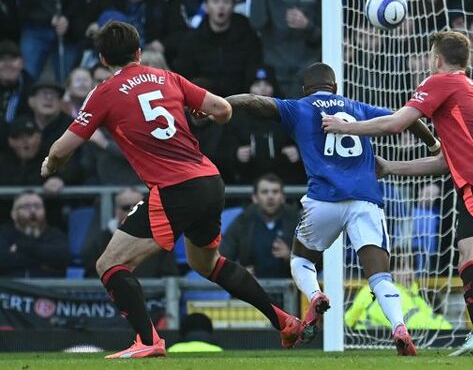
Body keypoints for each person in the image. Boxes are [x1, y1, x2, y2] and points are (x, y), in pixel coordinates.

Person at [41, 21, 303, 359]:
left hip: (174, 188)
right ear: (138, 51)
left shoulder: (104, 92)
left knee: (109, 264)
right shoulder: (169, 77)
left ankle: (148, 340)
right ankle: (283, 321)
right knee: (207, 263)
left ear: (104, 59)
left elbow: (63, 150)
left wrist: (49, 166)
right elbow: (223, 110)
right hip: (210, 180)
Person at [322, 31, 473, 356]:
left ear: (436, 59)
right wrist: (391, 167)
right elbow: (445, 162)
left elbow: (397, 123)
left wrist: (345, 127)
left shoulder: (441, 82)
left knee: (471, 258)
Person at [225, 62, 442, 355]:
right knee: (379, 276)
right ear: (336, 87)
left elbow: (254, 101)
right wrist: (432, 143)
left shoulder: (298, 107)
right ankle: (399, 327)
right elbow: (404, 119)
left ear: (305, 89)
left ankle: (315, 294)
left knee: (301, 260)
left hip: (323, 200)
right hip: (365, 199)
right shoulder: (357, 107)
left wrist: (221, 103)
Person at [174, 0, 263, 97]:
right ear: (206, 6)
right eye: (215, 1)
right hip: (206, 102)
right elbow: (183, 74)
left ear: (233, 6)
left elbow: (253, 69)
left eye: (226, 2)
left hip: (242, 100)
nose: (221, 6)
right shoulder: (193, 40)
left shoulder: (248, 36)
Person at [249, 0, 320, 97]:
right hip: (274, 70)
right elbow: (256, 23)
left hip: (306, 71)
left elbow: (326, 37)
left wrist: (307, 26)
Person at [82, 188, 178, 278]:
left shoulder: (160, 239)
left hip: (154, 295)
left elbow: (170, 276)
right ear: (117, 211)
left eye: (138, 207)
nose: (132, 211)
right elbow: (92, 277)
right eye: (126, 207)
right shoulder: (100, 240)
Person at [220, 174, 299, 278]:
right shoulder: (244, 220)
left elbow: (317, 262)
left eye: (275, 192)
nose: (270, 197)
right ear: (255, 198)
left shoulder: (296, 221)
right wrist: (238, 272)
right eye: (264, 192)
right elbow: (223, 256)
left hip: (290, 289)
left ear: (283, 198)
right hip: (251, 288)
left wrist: (291, 257)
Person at [0, 191, 69, 277]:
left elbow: (62, 257)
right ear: (14, 214)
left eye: (37, 206)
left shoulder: (55, 234)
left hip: (48, 288)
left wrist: (20, 247)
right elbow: (2, 260)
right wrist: (43, 259)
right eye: (26, 207)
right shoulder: (3, 232)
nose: (33, 211)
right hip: (10, 288)